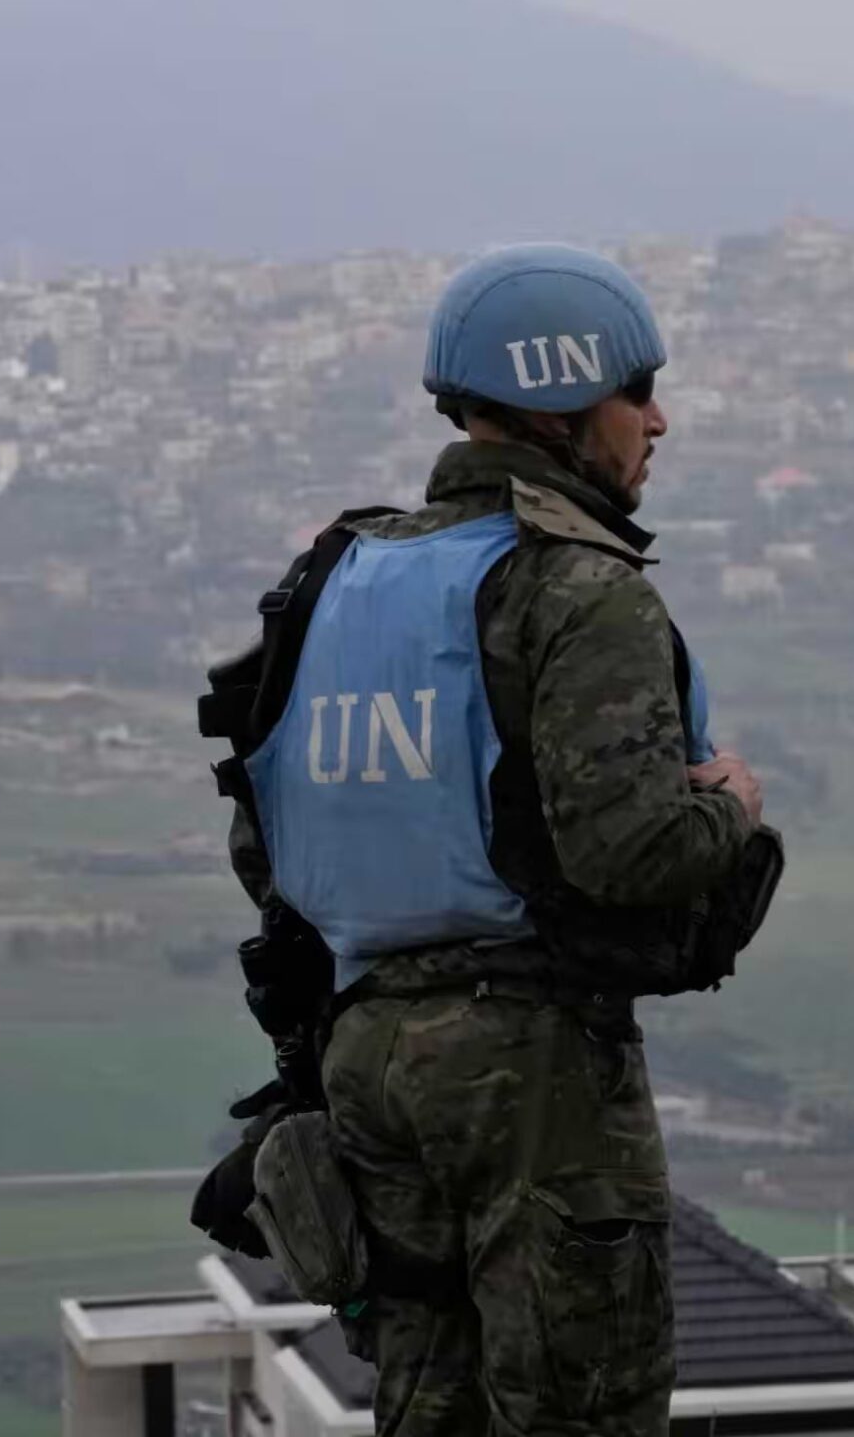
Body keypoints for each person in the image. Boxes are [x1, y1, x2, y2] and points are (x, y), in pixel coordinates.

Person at [208, 244, 764, 1435]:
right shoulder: (574, 583)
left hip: (364, 1059)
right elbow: (630, 853)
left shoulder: (341, 577)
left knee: (427, 1401)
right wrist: (733, 806)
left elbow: (270, 846)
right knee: (579, 1405)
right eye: (636, 389)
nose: (655, 422)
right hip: (533, 1071)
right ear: (565, 394)